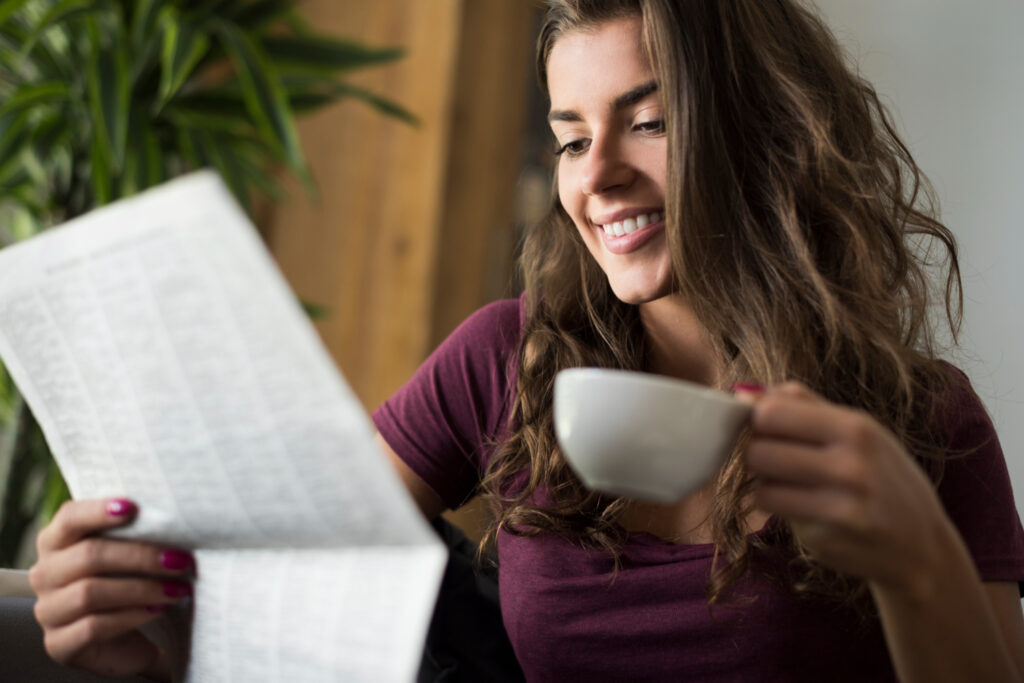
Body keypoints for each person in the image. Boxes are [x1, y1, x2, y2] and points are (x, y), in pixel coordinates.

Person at [27, 0, 1024, 680]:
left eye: (647, 122)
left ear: (760, 132)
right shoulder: (504, 359)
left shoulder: (921, 423)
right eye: (570, 137)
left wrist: (914, 556)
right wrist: (145, 625)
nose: (596, 178)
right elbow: (299, 587)